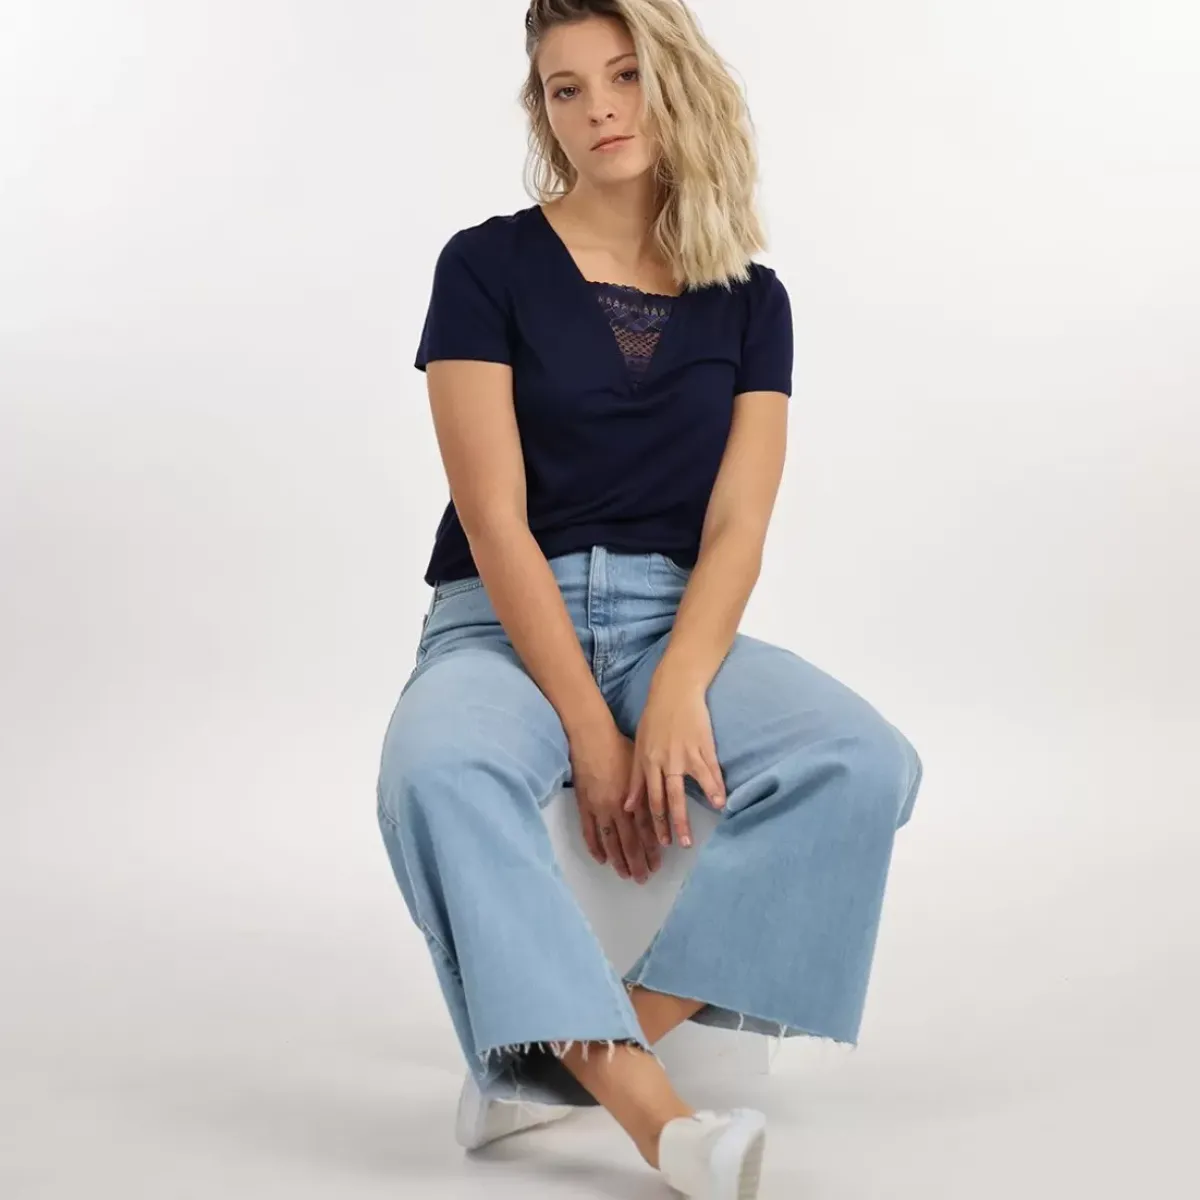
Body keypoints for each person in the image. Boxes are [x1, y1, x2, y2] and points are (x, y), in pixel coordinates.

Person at [374, 2, 923, 1196]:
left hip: (676, 623)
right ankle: (660, 1122)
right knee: (432, 768)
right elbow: (494, 521)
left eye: (623, 75)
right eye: (565, 89)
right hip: (498, 622)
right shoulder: (484, 266)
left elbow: (738, 526)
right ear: (543, 113)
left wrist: (675, 685)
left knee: (865, 762)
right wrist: (589, 724)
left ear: (676, 81)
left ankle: (562, 1055)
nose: (599, 110)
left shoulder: (752, 298)